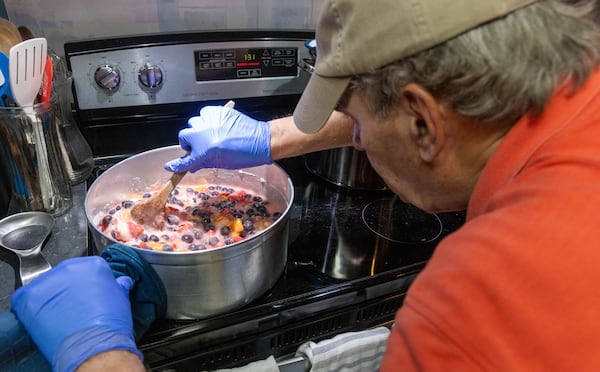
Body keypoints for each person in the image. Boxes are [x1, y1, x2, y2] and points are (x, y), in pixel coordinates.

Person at [10, 0, 600, 370]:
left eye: (359, 118)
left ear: (423, 121)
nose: (356, 137)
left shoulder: (477, 304)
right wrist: (269, 141)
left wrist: (100, 358)